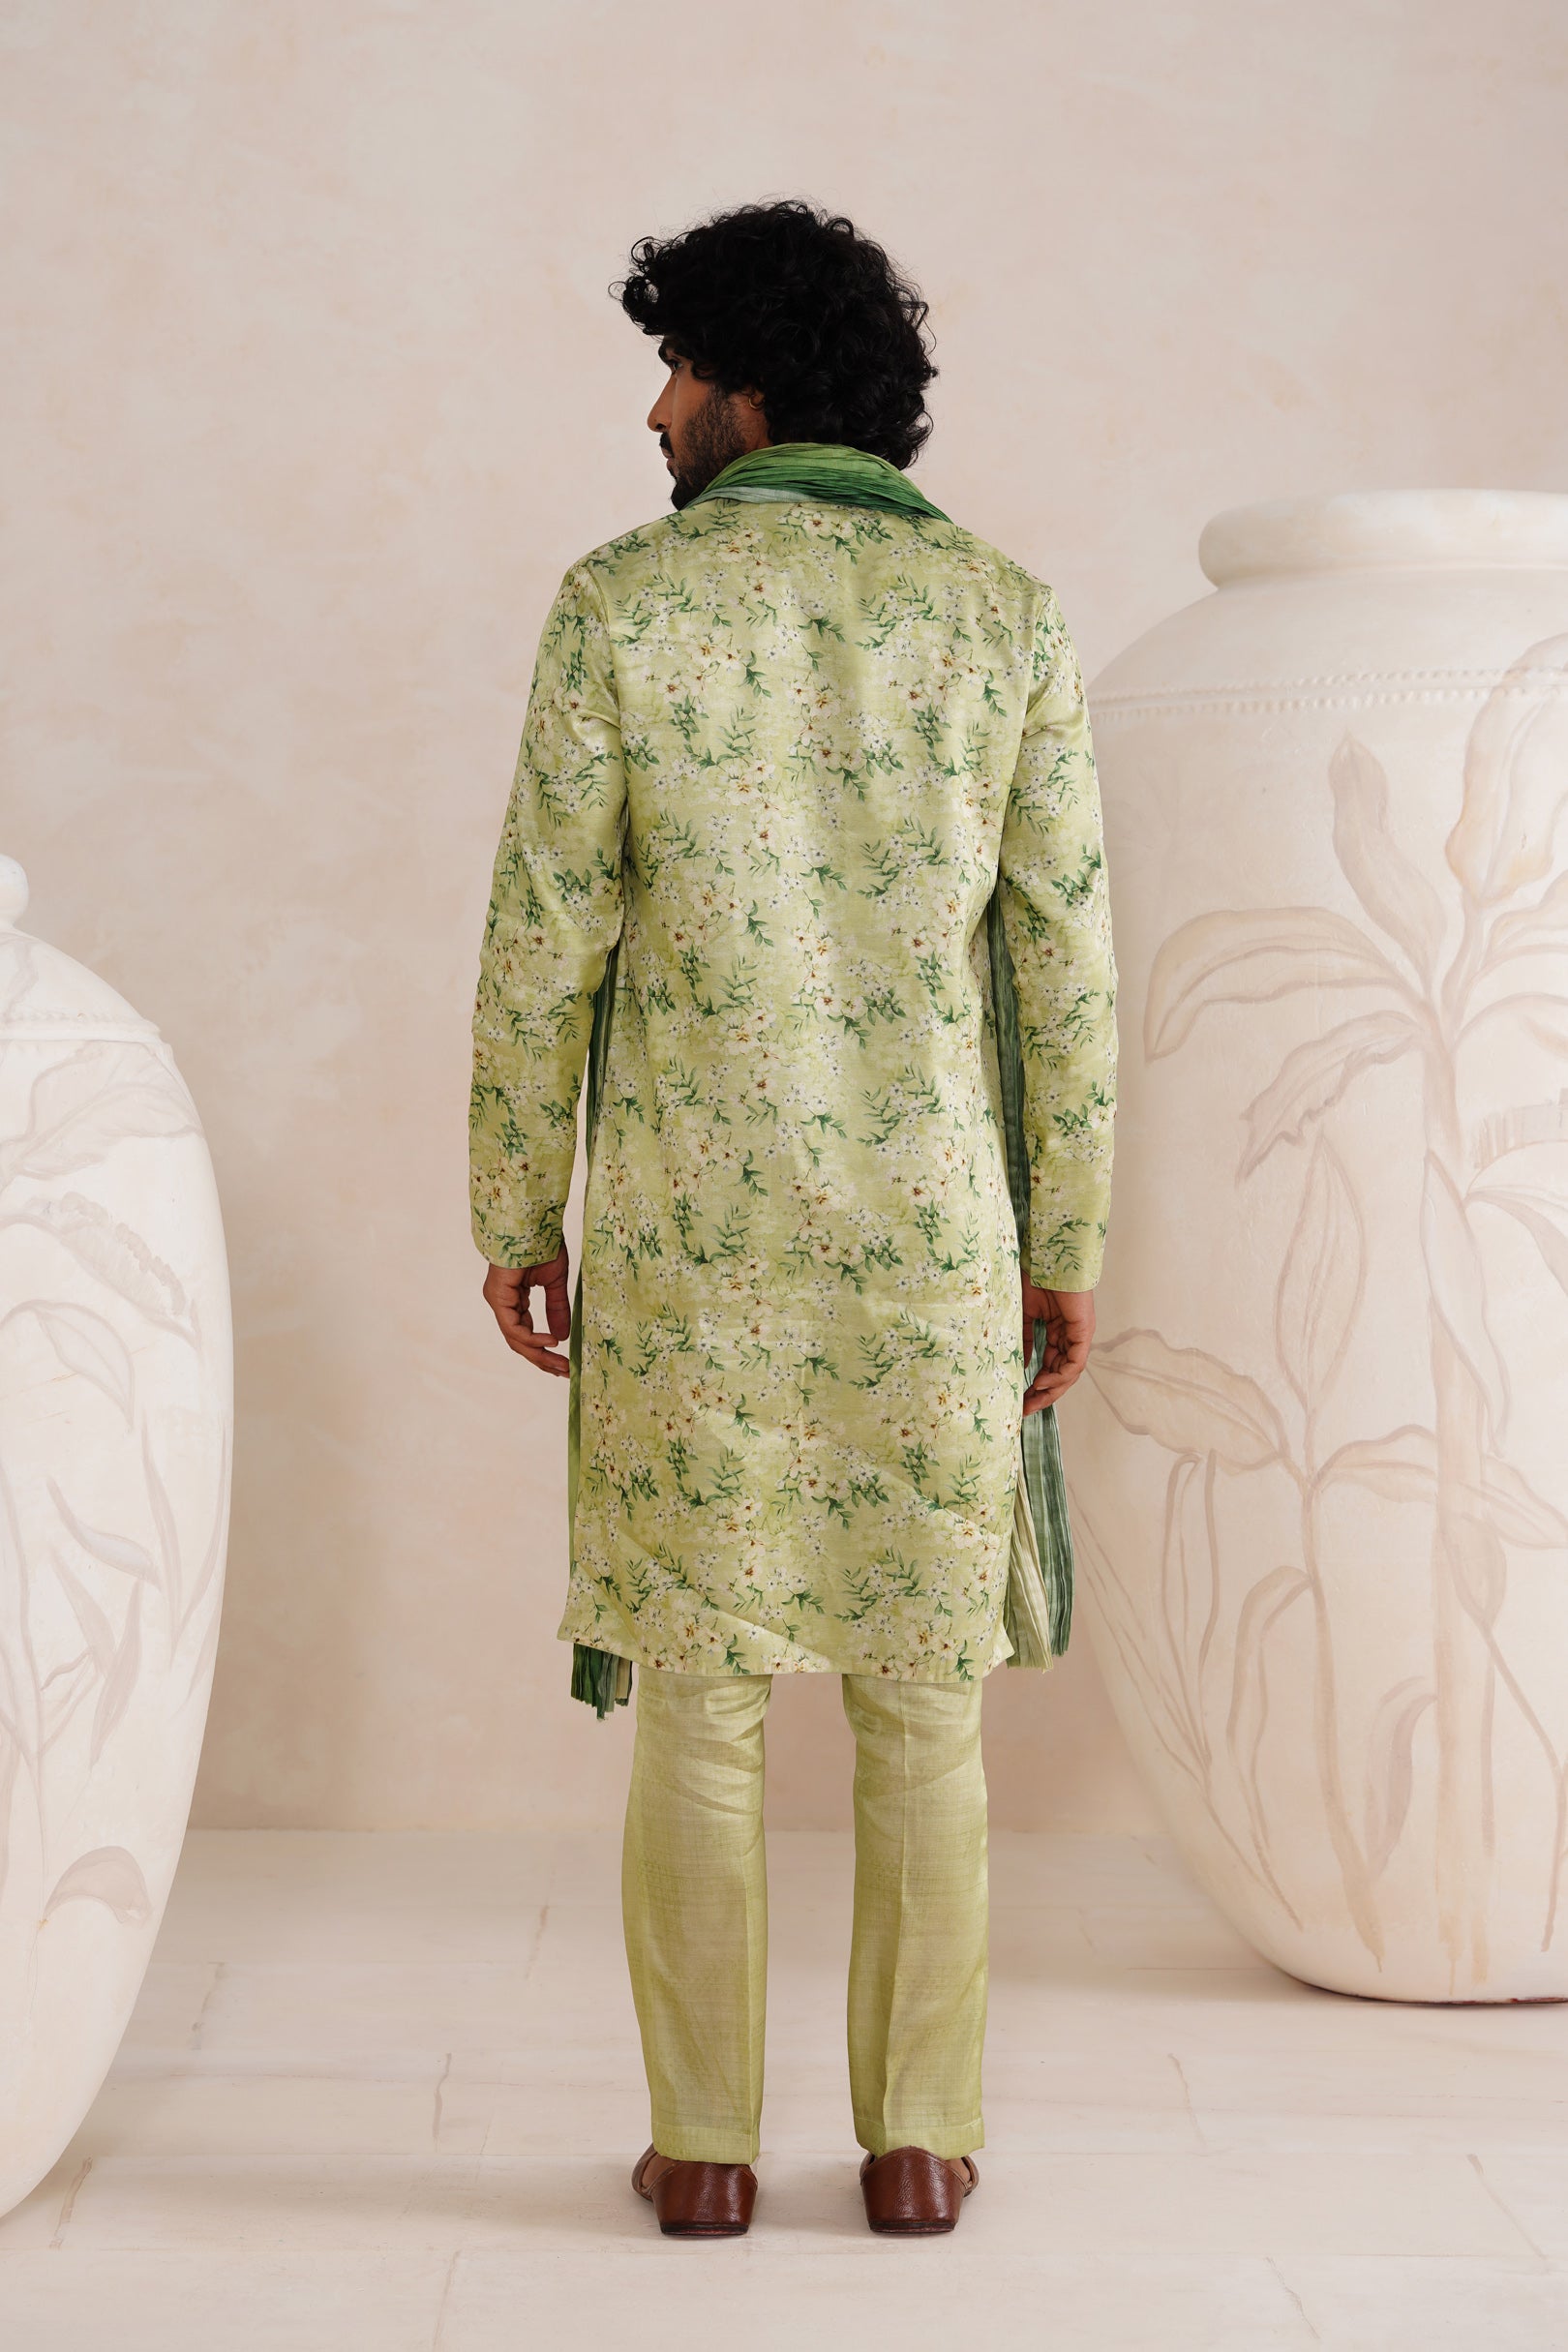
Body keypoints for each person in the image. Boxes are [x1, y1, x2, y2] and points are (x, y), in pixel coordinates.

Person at [470, 199, 1117, 2239]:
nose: (656, 411)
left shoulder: (623, 607)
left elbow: (543, 939)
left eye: (678, 368)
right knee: (925, 1700)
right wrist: (1067, 1242)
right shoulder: (1003, 619)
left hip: (693, 1247)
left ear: (752, 385)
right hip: (931, 1244)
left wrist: (516, 1202)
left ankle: (704, 2152)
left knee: (702, 1691)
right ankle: (918, 2144)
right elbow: (1069, 968)